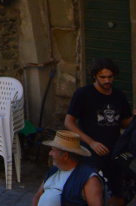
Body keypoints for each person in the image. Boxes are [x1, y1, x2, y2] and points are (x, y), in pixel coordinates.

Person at [66, 57, 134, 206]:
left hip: (114, 151)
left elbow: (124, 122)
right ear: (95, 76)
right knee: (93, 192)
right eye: (102, 77)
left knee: (119, 192)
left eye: (110, 77)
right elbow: (69, 122)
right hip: (90, 152)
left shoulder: (119, 96)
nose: (107, 80)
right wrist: (91, 142)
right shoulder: (83, 94)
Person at [32, 130, 104, 206]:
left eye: (53, 150)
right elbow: (37, 196)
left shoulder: (88, 178)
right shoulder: (54, 170)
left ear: (65, 156)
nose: (50, 153)